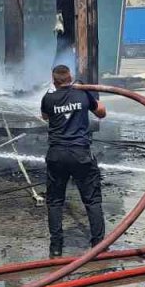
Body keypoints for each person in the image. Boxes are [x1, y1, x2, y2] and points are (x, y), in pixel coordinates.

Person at [40, 64, 107, 258]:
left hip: (57, 155)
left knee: (55, 201)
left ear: (54, 81)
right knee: (92, 200)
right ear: (70, 78)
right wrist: (87, 95)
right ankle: (98, 244)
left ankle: (56, 247)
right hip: (81, 154)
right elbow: (101, 113)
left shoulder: (48, 98)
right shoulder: (83, 94)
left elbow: (45, 117)